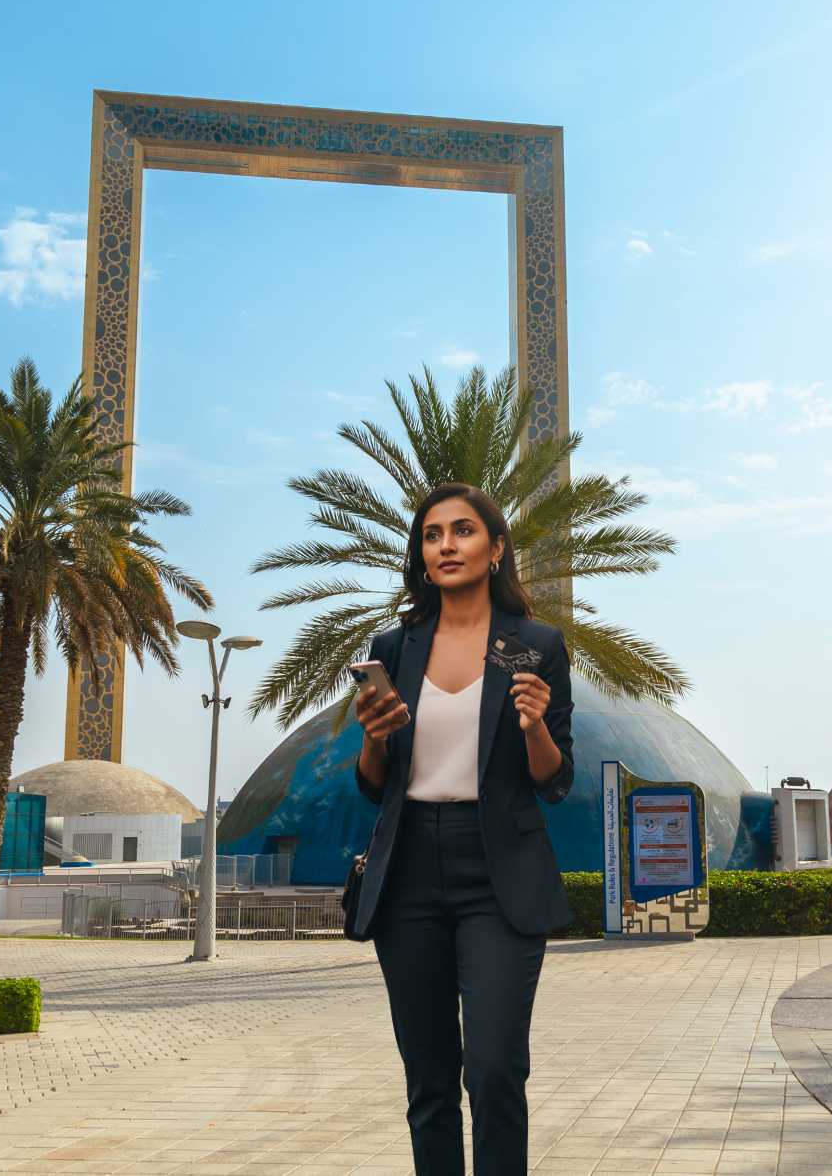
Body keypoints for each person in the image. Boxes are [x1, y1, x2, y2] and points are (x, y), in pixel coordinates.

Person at [349, 481, 576, 1176]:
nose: (446, 544)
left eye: (463, 531)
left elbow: (554, 780)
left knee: (496, 1068)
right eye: (431, 535)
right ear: (420, 555)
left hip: (498, 871)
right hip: (408, 868)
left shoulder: (537, 645)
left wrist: (535, 725)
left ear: (496, 547)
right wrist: (373, 738)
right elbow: (372, 783)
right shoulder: (395, 645)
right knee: (430, 1081)